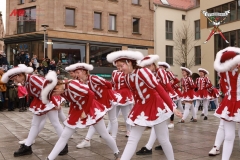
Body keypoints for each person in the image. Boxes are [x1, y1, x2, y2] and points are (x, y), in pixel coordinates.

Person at [107, 50, 182, 160]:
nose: (120, 69)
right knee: (132, 139)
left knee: (163, 140)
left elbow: (159, 89)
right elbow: (136, 96)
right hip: (141, 107)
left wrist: (172, 107)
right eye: (118, 67)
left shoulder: (143, 72)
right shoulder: (127, 77)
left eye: (121, 66)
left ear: (129, 62)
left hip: (156, 106)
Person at [44, 64, 119, 160]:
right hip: (77, 110)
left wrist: (86, 112)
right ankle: (49, 158)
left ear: (57, 87)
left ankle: (116, 153)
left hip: (91, 108)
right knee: (64, 137)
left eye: (54, 93)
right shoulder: (63, 88)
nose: (54, 95)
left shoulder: (72, 86)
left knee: (104, 135)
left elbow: (91, 94)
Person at [1, 64, 66, 157]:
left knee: (55, 123)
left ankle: (63, 145)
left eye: (15, 79)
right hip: (42, 100)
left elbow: (49, 89)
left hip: (49, 99)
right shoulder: (27, 81)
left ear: (20, 75)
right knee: (35, 124)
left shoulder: (33, 79)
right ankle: (27, 146)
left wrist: (55, 103)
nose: (15, 82)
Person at [135, 55, 181, 156]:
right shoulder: (149, 73)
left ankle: (149, 146)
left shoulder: (160, 71)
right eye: (145, 66)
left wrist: (172, 94)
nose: (146, 68)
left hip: (163, 97)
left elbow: (166, 83)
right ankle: (159, 144)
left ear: (153, 64)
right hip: (157, 98)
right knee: (160, 123)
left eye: (148, 66)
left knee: (158, 122)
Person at [75, 63, 121, 149]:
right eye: (76, 72)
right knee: (95, 120)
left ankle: (113, 139)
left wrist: (106, 94)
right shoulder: (82, 82)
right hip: (98, 101)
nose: (77, 74)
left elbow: (108, 84)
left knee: (113, 119)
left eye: (78, 72)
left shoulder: (94, 78)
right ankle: (87, 140)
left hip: (107, 98)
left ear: (85, 72)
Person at [213, 47, 240, 160]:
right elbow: (223, 87)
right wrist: (221, 94)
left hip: (232, 102)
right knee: (229, 136)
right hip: (229, 103)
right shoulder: (223, 73)